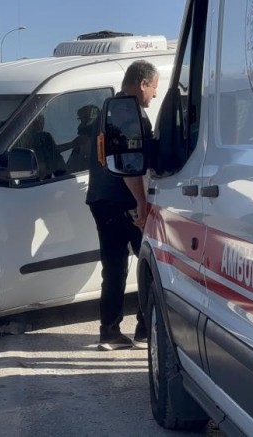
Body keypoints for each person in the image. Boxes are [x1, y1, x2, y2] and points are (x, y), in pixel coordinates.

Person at [86, 59, 158, 351]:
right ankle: (144, 330)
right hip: (123, 201)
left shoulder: (106, 108)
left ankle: (110, 331)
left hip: (100, 198)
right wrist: (141, 202)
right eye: (154, 88)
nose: (154, 95)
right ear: (142, 83)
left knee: (113, 267)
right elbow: (130, 164)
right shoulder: (129, 113)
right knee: (147, 267)